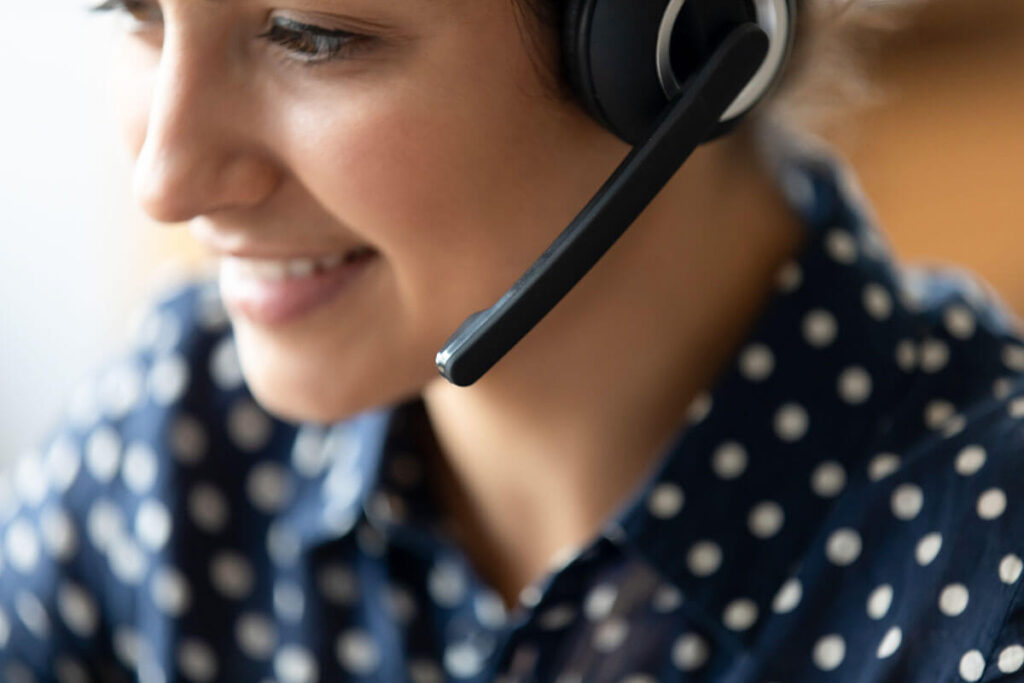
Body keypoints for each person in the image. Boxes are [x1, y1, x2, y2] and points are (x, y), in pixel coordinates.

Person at [2, 0, 1023, 681]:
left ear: (669, 41)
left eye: (310, 33)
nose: (166, 180)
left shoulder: (984, 583)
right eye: (132, 9)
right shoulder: (169, 457)